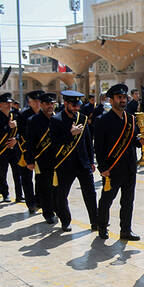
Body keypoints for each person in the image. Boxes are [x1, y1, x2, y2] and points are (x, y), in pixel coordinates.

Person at [94, 84, 144, 241]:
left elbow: (134, 140)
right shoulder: (102, 120)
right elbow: (99, 147)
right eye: (119, 98)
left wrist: (142, 141)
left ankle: (126, 230)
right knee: (107, 199)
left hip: (130, 166)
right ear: (112, 99)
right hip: (112, 168)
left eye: (124, 97)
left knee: (128, 201)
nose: (122, 100)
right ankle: (102, 226)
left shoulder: (131, 118)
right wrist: (103, 168)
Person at [50, 90, 98, 232]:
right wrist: (70, 134)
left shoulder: (82, 118)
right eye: (73, 104)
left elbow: (88, 141)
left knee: (90, 193)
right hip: (65, 163)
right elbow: (55, 142)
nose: (76, 107)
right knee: (62, 194)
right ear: (66, 103)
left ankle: (95, 222)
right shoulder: (56, 120)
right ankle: (65, 221)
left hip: (83, 162)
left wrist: (91, 160)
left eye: (78, 104)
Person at [24, 92, 57, 224]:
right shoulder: (33, 121)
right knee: (45, 188)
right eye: (47, 104)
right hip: (42, 159)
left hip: (57, 159)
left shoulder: (58, 119)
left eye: (52, 104)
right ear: (42, 105)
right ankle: (48, 213)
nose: (50, 106)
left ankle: (57, 209)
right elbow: (30, 143)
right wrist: (30, 160)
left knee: (57, 188)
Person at [0, 93, 23, 203]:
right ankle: (5, 194)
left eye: (10, 103)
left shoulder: (16, 115)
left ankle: (19, 195)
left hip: (14, 149)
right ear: (0, 104)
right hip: (2, 150)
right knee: (2, 173)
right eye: (6, 103)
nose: (9, 105)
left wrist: (16, 139)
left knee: (17, 173)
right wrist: (8, 127)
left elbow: (21, 131)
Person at [17, 90, 42, 214]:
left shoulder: (46, 114)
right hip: (27, 151)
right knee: (27, 179)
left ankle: (39, 200)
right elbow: (22, 135)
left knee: (41, 178)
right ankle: (30, 203)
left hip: (43, 152)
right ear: (29, 102)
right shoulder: (23, 115)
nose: (37, 104)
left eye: (39, 101)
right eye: (35, 102)